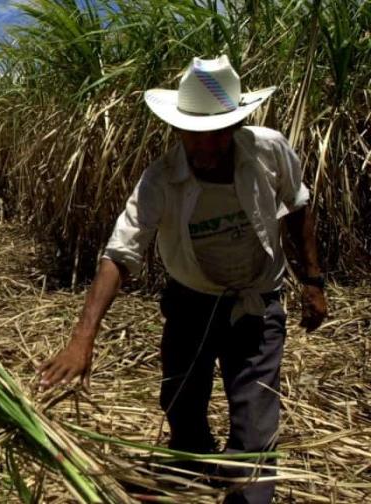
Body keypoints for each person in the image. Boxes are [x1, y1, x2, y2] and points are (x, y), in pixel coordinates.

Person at [38, 55, 328, 503]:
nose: (206, 150)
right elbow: (120, 253)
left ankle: (247, 493)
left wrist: (313, 281)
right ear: (177, 130)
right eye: (195, 138)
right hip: (191, 303)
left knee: (254, 425)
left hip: (257, 303)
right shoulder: (161, 179)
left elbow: (298, 205)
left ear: (236, 127)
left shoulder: (268, 150)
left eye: (218, 137)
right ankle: (190, 474)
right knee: (182, 404)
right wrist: (82, 338)